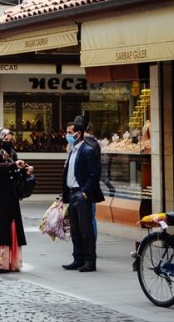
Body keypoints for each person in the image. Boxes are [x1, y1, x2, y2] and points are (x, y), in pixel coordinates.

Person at [61, 115, 104, 272]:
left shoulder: (87, 150)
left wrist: (85, 192)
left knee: (86, 230)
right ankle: (78, 259)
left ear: (78, 134)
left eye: (70, 133)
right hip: (72, 193)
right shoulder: (73, 150)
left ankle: (89, 261)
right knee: (75, 230)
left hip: (81, 194)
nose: (67, 135)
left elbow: (94, 175)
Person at [0, 128, 33, 273]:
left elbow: (15, 174)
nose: (9, 142)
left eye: (11, 139)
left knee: (12, 225)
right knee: (0, 226)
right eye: (5, 139)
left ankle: (11, 262)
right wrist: (14, 165)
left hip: (11, 195)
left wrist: (25, 171)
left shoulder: (12, 154)